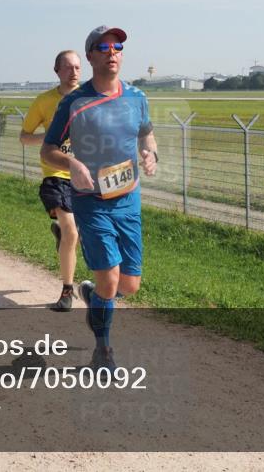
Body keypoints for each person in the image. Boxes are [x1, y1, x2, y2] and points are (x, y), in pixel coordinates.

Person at [42, 26, 157, 370]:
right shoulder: (74, 102)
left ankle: (96, 298)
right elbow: (48, 150)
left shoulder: (137, 97)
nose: (112, 51)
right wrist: (73, 163)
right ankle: (102, 351)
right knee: (109, 278)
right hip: (91, 201)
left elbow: (147, 135)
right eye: (103, 46)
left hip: (128, 199)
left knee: (130, 285)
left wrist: (150, 154)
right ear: (90, 55)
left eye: (118, 46)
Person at [20, 50, 82, 311]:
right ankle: (67, 291)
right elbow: (25, 137)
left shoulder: (90, 98)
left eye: (78, 67)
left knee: (79, 235)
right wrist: (48, 139)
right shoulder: (44, 101)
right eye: (68, 67)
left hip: (85, 176)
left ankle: (61, 234)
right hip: (55, 176)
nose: (74, 72)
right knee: (72, 231)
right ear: (57, 71)